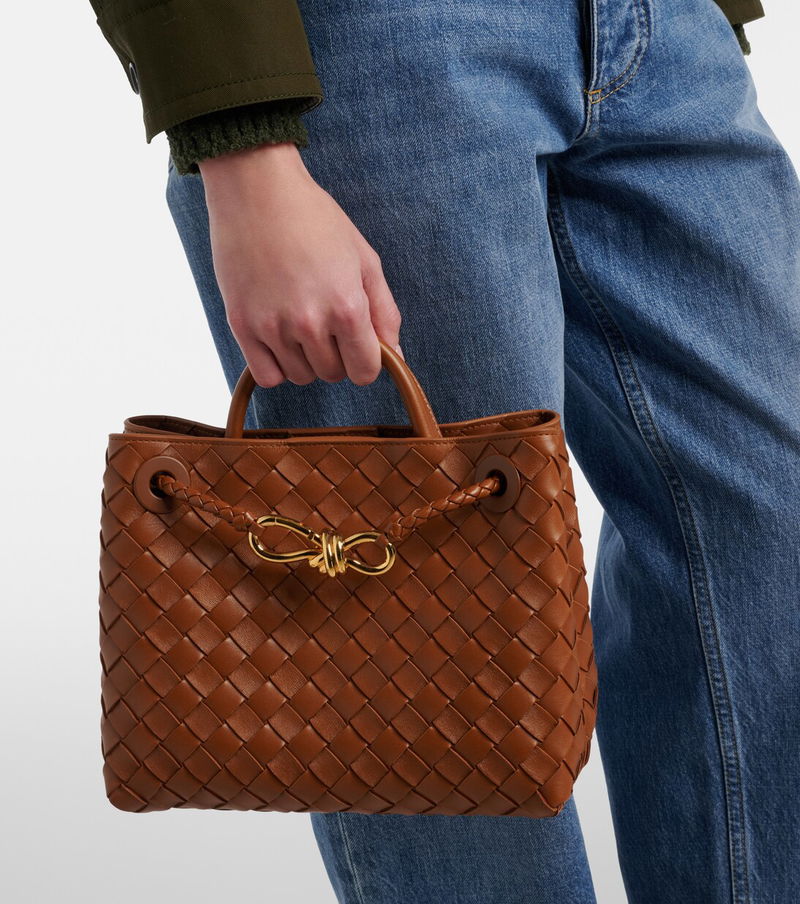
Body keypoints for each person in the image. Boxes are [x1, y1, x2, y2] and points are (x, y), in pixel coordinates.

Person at [88, 1, 798, 902]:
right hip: (376, 47)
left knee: (767, 523)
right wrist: (241, 136)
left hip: (661, 34)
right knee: (428, 640)